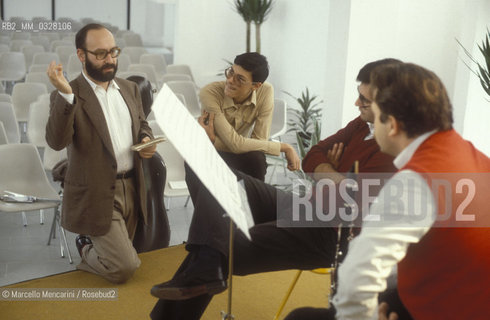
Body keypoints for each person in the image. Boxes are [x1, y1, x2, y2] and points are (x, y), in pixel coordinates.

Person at [148, 59, 399, 320]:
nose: (357, 104)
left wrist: (328, 175)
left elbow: (349, 200)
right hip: (309, 205)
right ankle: (206, 270)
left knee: (220, 245)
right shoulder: (361, 125)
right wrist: (336, 176)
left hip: (327, 232)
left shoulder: (390, 151)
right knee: (225, 181)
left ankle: (197, 281)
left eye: (364, 100)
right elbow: (313, 154)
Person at [287, 63, 490, 319]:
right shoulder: (474, 156)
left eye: (377, 115)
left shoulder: (415, 182)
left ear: (391, 125)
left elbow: (359, 278)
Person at [46, 23, 157, 284]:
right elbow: (56, 141)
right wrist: (66, 95)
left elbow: (142, 123)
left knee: (127, 260)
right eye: (100, 54)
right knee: (124, 267)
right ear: (81, 55)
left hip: (132, 186)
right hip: (96, 192)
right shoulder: (68, 93)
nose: (109, 59)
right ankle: (85, 246)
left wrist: (146, 138)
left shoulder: (129, 89)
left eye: (113, 51)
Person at [199, 52, 300, 181]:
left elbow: (259, 140)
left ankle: (256, 199)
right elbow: (235, 144)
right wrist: (285, 147)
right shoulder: (210, 92)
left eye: (240, 79)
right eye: (231, 72)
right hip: (209, 152)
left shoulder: (265, 91)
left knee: (257, 158)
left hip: (234, 149)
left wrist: (214, 139)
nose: (230, 80)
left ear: (256, 86)